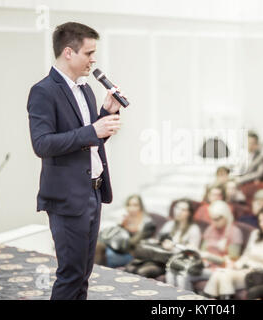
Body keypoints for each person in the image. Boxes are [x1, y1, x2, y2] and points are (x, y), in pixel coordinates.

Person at [27, 22, 126, 300]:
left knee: (83, 273)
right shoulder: (44, 91)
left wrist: (104, 115)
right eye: (89, 53)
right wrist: (93, 130)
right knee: (70, 274)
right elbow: (42, 144)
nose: (94, 60)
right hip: (66, 197)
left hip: (92, 192)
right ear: (68, 52)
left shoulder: (85, 89)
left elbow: (87, 143)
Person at [203, 208, 263, 299]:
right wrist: (235, 265)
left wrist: (258, 269)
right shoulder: (256, 234)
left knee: (222, 275)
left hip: (260, 275)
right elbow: (246, 255)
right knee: (219, 273)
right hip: (245, 270)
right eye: (260, 221)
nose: (261, 224)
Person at [165, 200, 243, 291]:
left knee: (183, 275)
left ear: (226, 216)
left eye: (217, 219)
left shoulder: (234, 232)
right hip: (204, 265)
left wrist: (210, 256)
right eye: (212, 219)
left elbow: (232, 260)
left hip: (220, 269)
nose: (214, 222)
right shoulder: (210, 229)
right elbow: (202, 251)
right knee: (172, 271)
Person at [126, 199, 201, 278]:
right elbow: (159, 240)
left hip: (173, 262)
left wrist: (173, 247)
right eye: (177, 208)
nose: (178, 212)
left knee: (142, 272)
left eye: (183, 210)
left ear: (189, 213)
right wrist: (158, 242)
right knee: (130, 268)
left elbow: (192, 253)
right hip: (158, 257)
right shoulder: (170, 224)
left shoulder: (194, 229)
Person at [101, 195, 156, 268]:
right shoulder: (125, 219)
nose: (131, 208)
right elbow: (113, 237)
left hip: (132, 254)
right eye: (129, 205)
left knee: (106, 254)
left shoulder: (147, 223)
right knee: (98, 246)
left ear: (141, 207)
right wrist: (121, 225)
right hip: (119, 249)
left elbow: (131, 244)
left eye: (135, 205)